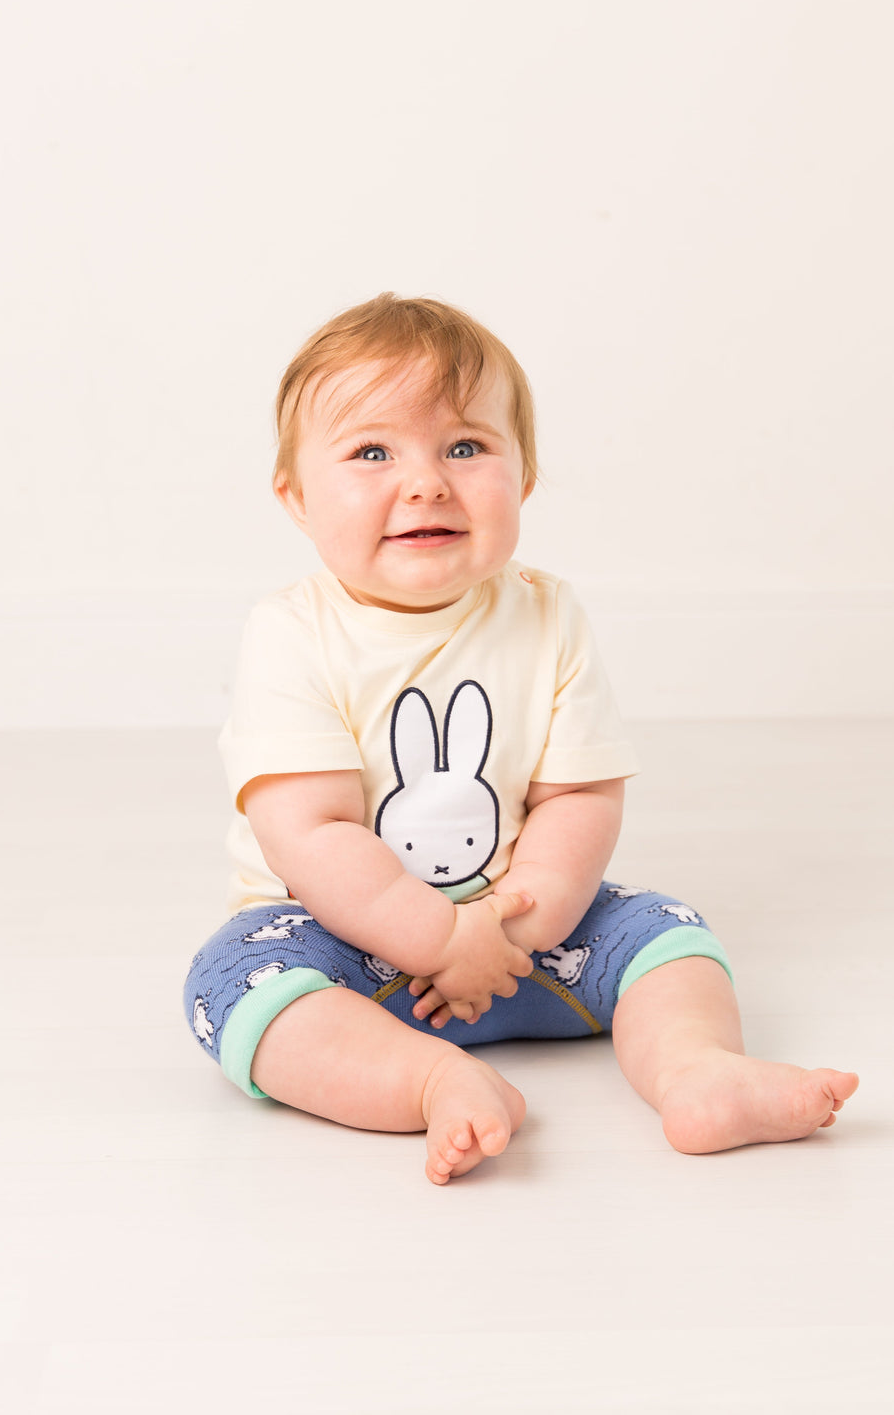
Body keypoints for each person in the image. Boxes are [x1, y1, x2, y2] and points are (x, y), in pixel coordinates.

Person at [184, 293, 858, 1185]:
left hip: (523, 936)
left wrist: (507, 931)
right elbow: (310, 832)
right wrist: (437, 939)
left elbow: (577, 797)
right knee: (233, 981)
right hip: (339, 943)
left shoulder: (547, 614)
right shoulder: (291, 633)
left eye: (465, 447)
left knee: (665, 934)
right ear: (297, 497)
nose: (426, 482)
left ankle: (697, 1071)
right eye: (372, 452)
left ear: (526, 476)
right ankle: (430, 1079)